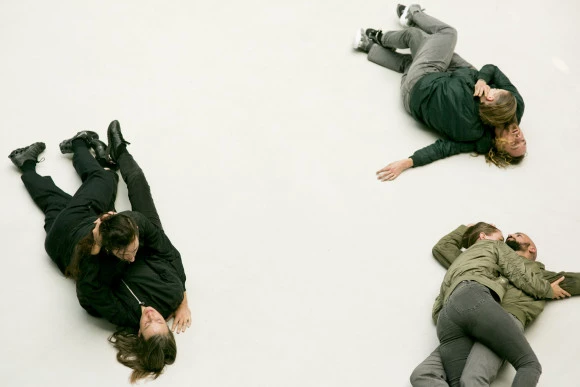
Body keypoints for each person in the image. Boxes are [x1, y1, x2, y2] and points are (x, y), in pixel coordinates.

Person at [8, 120, 190, 382]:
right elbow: (167, 253)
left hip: (72, 240)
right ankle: (26, 164)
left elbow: (88, 293)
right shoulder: (169, 293)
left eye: (147, 325)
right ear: (168, 326)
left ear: (139, 333)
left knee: (105, 177)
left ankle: (80, 143)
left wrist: (95, 246)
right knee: (53, 204)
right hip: (70, 238)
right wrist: (183, 298)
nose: (151, 317)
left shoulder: (121, 315)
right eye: (159, 322)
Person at [352, 4, 527, 181]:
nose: (518, 136)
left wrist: (407, 162)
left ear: (499, 145)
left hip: (425, 82)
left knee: (432, 35)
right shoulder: (515, 105)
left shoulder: (475, 136)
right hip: (448, 79)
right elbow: (493, 70)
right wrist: (481, 79)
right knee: (414, 59)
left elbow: (443, 149)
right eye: (523, 140)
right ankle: (369, 47)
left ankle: (407, 17)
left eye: (514, 144)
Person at [410, 225, 580, 386]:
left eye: (518, 235)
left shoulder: (540, 275)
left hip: (505, 319)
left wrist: (548, 289)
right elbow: (443, 249)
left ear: (532, 249)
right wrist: (468, 229)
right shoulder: (489, 262)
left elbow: (574, 281)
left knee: (472, 377)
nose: (510, 236)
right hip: (474, 315)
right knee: (422, 374)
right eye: (508, 236)